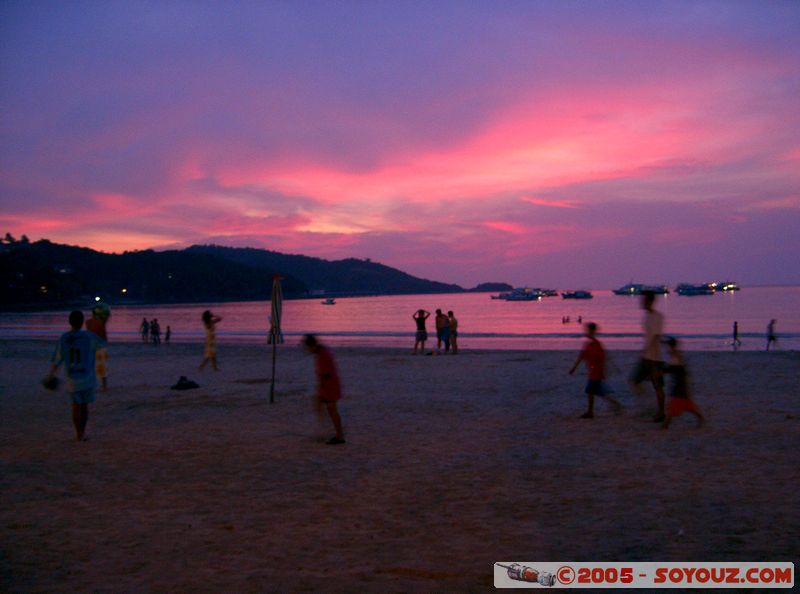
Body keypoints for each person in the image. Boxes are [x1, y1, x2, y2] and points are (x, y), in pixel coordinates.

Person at [44, 310, 104, 441]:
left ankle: (78, 434)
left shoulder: (64, 338)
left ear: (69, 322)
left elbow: (57, 359)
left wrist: (51, 374)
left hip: (72, 378)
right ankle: (83, 432)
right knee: (84, 406)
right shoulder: (89, 337)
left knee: (75, 406)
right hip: (87, 377)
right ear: (82, 322)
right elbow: (102, 343)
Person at [629, 291, 667, 422]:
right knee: (634, 381)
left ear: (650, 301)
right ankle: (649, 404)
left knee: (658, 386)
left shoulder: (658, 317)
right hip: (646, 356)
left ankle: (661, 412)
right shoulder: (646, 316)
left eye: (644, 300)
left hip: (655, 358)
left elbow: (656, 336)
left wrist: (647, 349)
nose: (641, 302)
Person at [569, 322, 621, 418]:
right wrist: (574, 368)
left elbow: (602, 358)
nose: (587, 332)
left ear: (592, 331)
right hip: (592, 372)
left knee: (590, 391)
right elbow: (581, 356)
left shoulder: (597, 344)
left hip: (596, 373)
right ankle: (615, 405)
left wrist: (602, 370)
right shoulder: (588, 344)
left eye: (588, 331)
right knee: (599, 392)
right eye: (587, 331)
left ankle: (591, 412)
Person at [303, 334, 345, 445]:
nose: (307, 350)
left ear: (311, 346)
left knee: (331, 411)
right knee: (322, 408)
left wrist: (320, 390)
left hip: (329, 386)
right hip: (330, 384)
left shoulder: (322, 355)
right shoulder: (322, 350)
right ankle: (324, 431)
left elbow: (324, 375)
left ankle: (339, 436)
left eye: (307, 347)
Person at [662, 337, 704, 429]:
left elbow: (672, 369)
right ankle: (700, 418)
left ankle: (666, 424)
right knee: (686, 404)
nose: (667, 349)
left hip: (679, 384)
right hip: (680, 383)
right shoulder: (675, 355)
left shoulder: (676, 356)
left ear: (671, 346)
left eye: (668, 346)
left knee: (676, 404)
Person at [85, 303, 110, 392]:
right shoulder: (101, 322)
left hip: (91, 347)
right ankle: (104, 386)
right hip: (100, 347)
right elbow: (107, 316)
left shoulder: (88, 322)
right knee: (102, 367)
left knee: (92, 367)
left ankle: (94, 385)